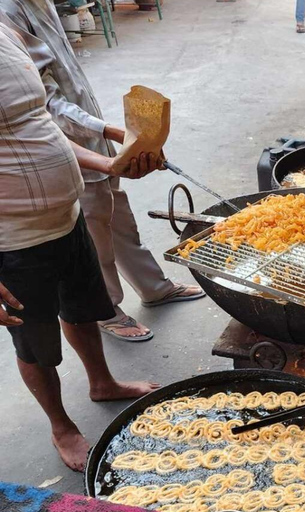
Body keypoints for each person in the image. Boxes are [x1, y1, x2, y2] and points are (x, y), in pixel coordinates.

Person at [0, 21, 162, 472]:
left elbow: (39, 127)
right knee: (34, 344)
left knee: (83, 308)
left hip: (66, 219)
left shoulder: (6, 33)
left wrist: (109, 162)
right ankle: (61, 427)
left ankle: (102, 382)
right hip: (12, 242)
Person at [0, 0, 205, 342]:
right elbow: (47, 105)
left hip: (90, 135)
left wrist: (116, 140)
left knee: (118, 215)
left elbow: (67, 76)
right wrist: (109, 131)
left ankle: (153, 287)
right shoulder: (8, 13)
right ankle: (107, 310)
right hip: (57, 152)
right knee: (96, 234)